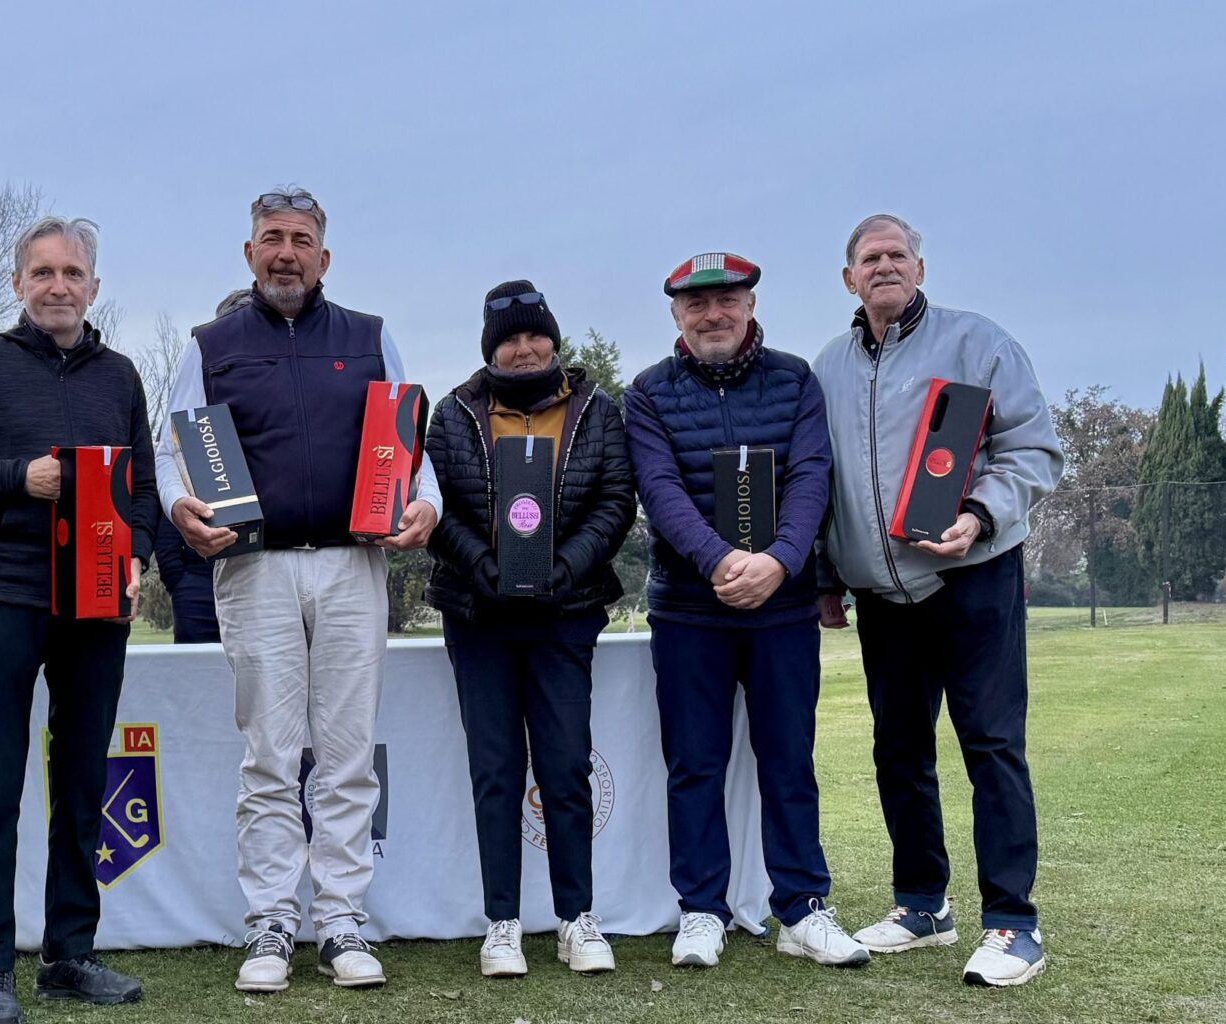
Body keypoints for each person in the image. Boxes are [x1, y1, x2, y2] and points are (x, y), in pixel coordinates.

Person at [156, 187, 441, 992]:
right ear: (249, 253)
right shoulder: (211, 343)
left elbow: (409, 449)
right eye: (272, 238)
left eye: (302, 239)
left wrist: (427, 506)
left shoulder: (370, 337)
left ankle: (342, 918)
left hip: (354, 566)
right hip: (254, 570)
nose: (286, 251)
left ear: (325, 256)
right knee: (271, 756)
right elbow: (173, 448)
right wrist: (181, 506)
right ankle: (273, 922)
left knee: (348, 754)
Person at [0, 216, 157, 1024]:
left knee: (83, 781)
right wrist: (19, 479)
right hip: (2, 594)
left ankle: (70, 955)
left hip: (97, 601)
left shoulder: (120, 376)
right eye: (41, 273)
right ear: (17, 284)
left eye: (72, 273)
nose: (57, 286)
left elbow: (141, 484)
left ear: (93, 287)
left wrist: (139, 551)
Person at [813, 214, 1063, 987]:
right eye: (869, 258)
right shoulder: (826, 367)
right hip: (882, 595)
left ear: (920, 268)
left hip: (973, 577)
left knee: (990, 744)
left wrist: (978, 515)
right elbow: (818, 485)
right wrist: (826, 575)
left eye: (897, 255)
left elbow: (1033, 449)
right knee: (899, 749)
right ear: (848, 279)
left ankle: (1013, 922)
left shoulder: (978, 343)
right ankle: (923, 904)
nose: (884, 266)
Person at [622, 253, 867, 970]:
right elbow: (660, 491)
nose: (712, 315)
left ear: (750, 305)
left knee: (789, 759)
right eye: (696, 305)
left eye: (726, 300)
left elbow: (812, 476)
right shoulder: (648, 393)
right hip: (690, 609)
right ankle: (703, 909)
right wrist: (722, 562)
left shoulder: (795, 380)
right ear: (676, 315)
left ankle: (802, 908)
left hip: (782, 608)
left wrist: (781, 561)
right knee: (694, 763)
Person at [423, 280, 635, 978]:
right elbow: (434, 507)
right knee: (495, 772)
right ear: (491, 348)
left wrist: (568, 567)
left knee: (566, 768)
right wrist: (478, 562)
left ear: (553, 337)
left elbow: (615, 501)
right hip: (478, 614)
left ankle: (578, 919)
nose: (523, 348)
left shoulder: (598, 410)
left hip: (564, 614)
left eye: (534, 334)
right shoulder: (454, 412)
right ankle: (503, 923)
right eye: (508, 338)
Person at [152, 288, 254, 644]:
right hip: (197, 581)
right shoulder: (193, 416)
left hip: (261, 575)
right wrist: (177, 576)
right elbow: (167, 489)